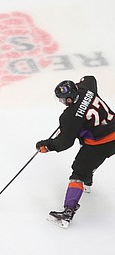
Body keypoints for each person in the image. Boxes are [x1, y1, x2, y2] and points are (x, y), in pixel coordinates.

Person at [36, 76, 115, 228]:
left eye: (63, 99)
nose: (61, 102)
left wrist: (47, 145)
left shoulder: (70, 116)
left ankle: (68, 212)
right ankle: (88, 178)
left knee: (77, 173)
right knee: (84, 147)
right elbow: (90, 78)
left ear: (70, 99)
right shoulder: (87, 88)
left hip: (100, 144)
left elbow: (64, 143)